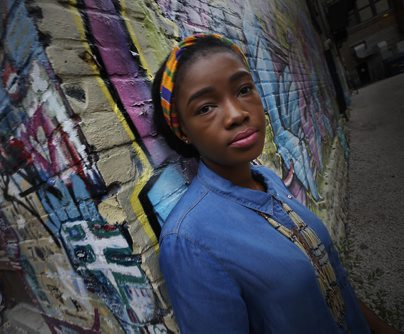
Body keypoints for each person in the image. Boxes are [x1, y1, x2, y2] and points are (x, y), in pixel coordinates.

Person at [152, 33, 399, 333]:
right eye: (205, 108)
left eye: (243, 89)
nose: (237, 114)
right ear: (183, 131)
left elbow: (336, 287)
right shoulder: (188, 240)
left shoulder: (267, 179)